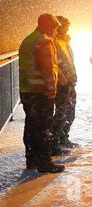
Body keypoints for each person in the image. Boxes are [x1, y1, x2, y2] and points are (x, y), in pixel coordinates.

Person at [18, 13, 65, 173]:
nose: (55, 30)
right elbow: (48, 69)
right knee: (43, 127)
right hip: (40, 92)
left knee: (31, 125)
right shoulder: (44, 41)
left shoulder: (28, 40)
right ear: (46, 25)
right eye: (54, 27)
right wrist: (52, 90)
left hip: (26, 90)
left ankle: (31, 158)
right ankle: (45, 162)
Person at [52, 16, 78, 154]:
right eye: (65, 26)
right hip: (61, 83)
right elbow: (53, 64)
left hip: (70, 82)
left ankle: (63, 138)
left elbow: (69, 61)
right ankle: (54, 144)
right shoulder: (53, 42)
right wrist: (62, 78)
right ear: (58, 27)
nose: (68, 29)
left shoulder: (65, 42)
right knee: (61, 113)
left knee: (70, 112)